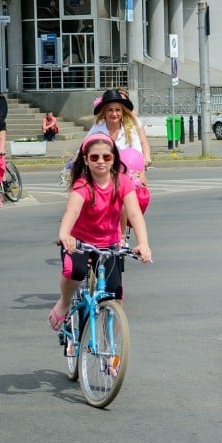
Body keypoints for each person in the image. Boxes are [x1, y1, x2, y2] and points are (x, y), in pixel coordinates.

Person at [48, 133, 152, 333]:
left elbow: (134, 214)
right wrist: (65, 234)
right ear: (86, 160)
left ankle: (111, 349)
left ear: (114, 158)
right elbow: (72, 211)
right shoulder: (83, 184)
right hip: (79, 242)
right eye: (94, 157)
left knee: (114, 294)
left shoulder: (122, 182)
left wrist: (143, 243)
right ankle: (64, 302)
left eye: (107, 157)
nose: (101, 162)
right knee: (74, 271)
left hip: (110, 243)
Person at [87, 88, 152, 168]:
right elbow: (82, 151)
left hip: (126, 173)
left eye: (118, 110)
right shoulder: (96, 129)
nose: (114, 114)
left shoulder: (130, 130)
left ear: (122, 112)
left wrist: (146, 159)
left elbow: (138, 153)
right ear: (104, 112)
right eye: (110, 110)